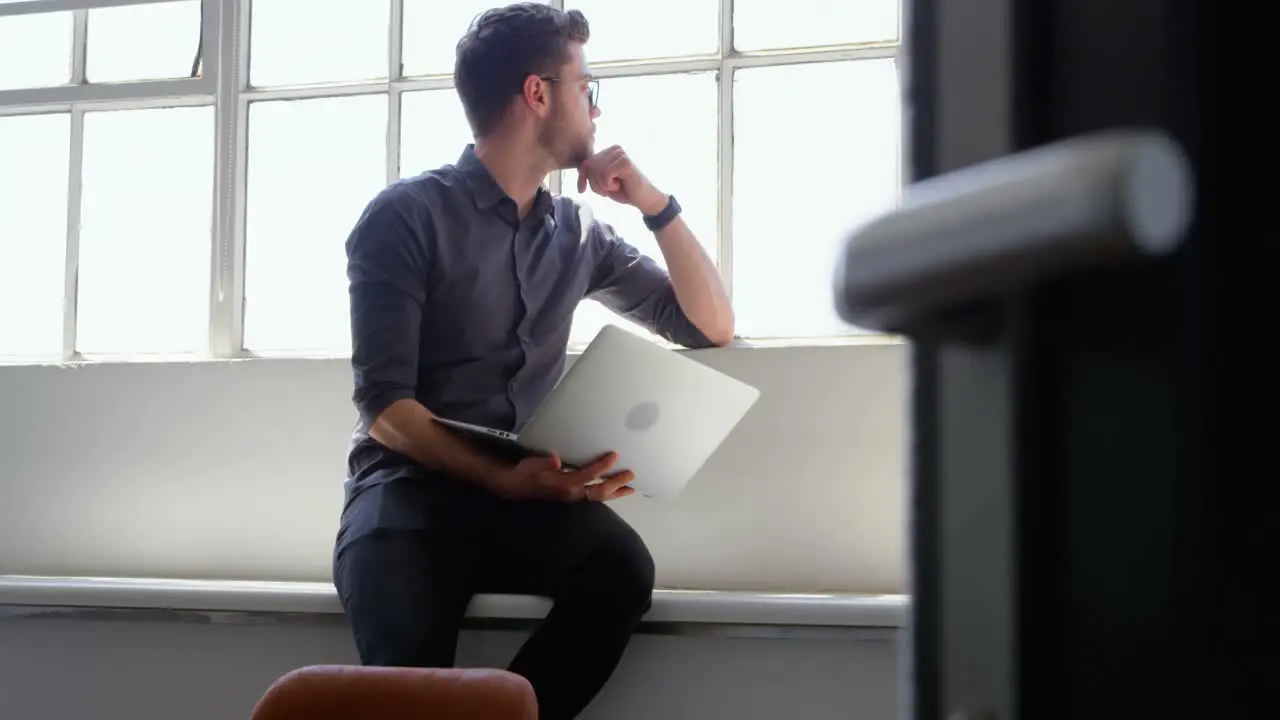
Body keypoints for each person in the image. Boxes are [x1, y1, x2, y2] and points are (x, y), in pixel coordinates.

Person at [331, 3, 734, 718]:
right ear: (537, 94)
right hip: (406, 496)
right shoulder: (405, 216)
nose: (596, 109)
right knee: (406, 687)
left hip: (521, 495)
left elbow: (709, 326)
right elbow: (387, 411)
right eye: (587, 88)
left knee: (621, 571)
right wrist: (502, 479)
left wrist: (655, 204)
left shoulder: (579, 235)